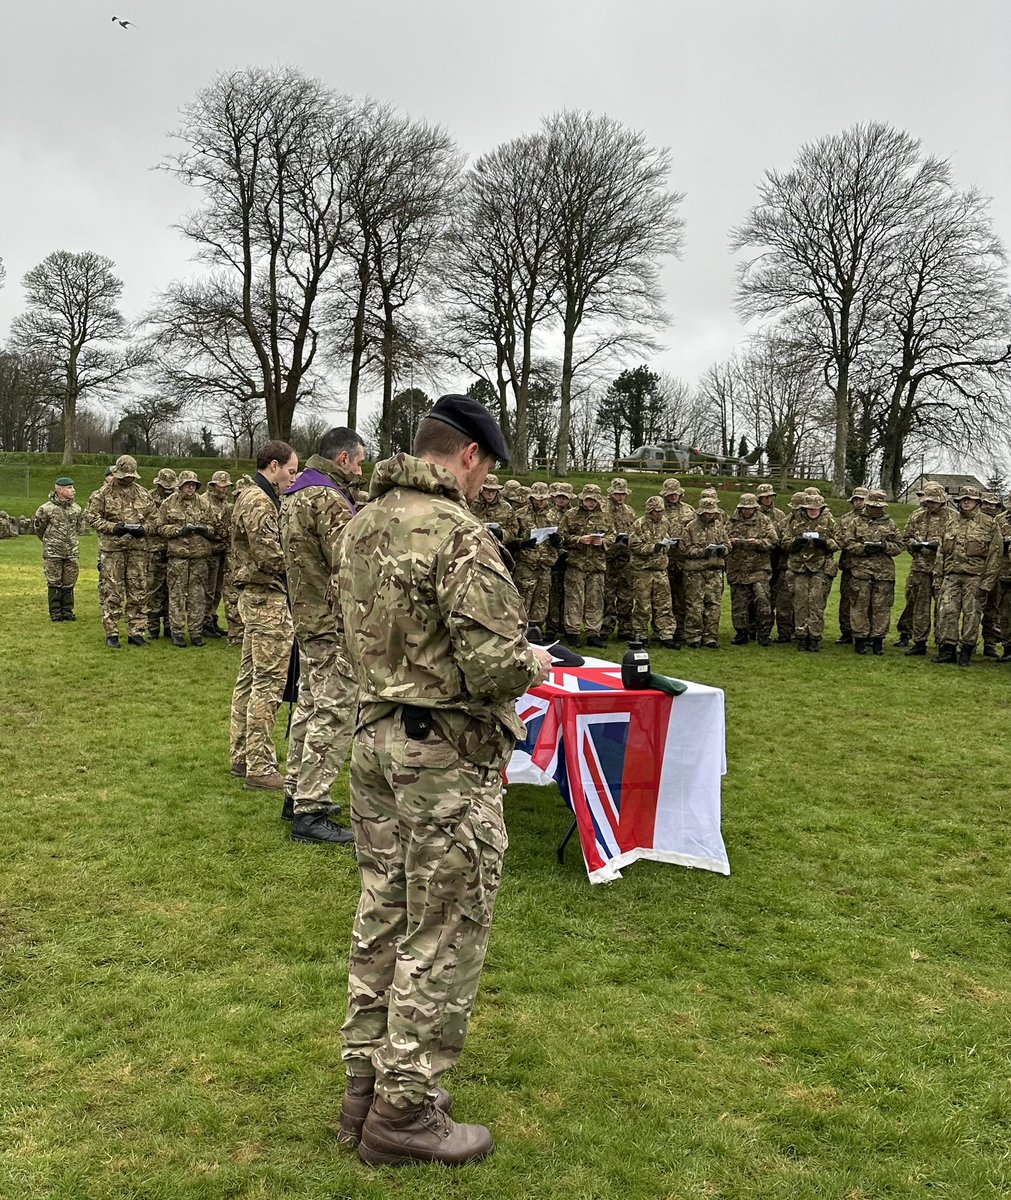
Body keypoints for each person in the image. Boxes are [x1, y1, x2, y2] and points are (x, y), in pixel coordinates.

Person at [333, 394, 551, 1167]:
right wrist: (535, 661)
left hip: (372, 740)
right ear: (466, 456)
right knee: (444, 928)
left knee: (384, 912)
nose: (486, 484)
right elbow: (492, 664)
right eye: (486, 468)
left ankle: (365, 1086)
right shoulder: (459, 535)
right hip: (441, 757)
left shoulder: (359, 521)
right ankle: (404, 1114)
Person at [279, 427, 364, 846]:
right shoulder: (328, 498)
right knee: (334, 710)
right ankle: (310, 807)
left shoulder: (295, 492)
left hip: (307, 616)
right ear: (343, 459)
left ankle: (295, 791)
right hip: (331, 621)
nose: (363, 469)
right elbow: (349, 564)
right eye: (360, 460)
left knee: (310, 705)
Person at [228, 442, 298, 789]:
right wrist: (305, 563)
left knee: (249, 678)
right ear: (274, 466)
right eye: (290, 471)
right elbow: (270, 555)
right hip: (266, 599)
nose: (293, 478)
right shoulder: (257, 500)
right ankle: (260, 766)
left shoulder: (255, 496)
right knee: (267, 684)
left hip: (257, 597)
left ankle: (241, 755)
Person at [86, 454, 155, 649]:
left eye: (131, 476)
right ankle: (112, 632)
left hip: (137, 551)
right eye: (124, 476)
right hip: (113, 550)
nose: (128, 479)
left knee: (138, 592)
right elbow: (92, 518)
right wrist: (113, 527)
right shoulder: (102, 494)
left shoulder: (143, 494)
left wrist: (144, 529)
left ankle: (136, 632)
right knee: (113, 591)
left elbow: (155, 518)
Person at [934, 485, 1003, 666]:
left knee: (971, 616)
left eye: (969, 500)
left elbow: (995, 556)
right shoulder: (951, 523)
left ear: (977, 502)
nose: (965, 502)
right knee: (947, 612)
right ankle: (947, 649)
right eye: (962, 499)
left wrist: (987, 584)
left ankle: (967, 650)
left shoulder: (989, 524)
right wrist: (938, 577)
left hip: (975, 578)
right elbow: (941, 552)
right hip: (951, 576)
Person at [157, 470, 222, 647]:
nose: (191, 487)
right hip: (178, 557)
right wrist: (179, 530)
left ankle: (196, 632)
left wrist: (203, 529)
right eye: (188, 484)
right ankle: (177, 632)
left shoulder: (203, 503)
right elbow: (160, 527)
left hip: (200, 557)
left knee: (198, 597)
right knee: (177, 596)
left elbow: (214, 527)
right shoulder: (168, 503)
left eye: (194, 484)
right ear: (181, 485)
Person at [839, 488, 903, 655]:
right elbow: (847, 543)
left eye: (879, 507)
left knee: (881, 608)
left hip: (884, 574)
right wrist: (864, 549)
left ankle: (878, 641)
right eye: (872, 506)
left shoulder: (890, 524)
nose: (875, 509)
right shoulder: (855, 522)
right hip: (861, 572)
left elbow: (900, 546)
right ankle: (859, 640)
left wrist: (885, 547)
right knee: (859, 606)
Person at [782, 490, 839, 652]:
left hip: (820, 567)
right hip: (799, 568)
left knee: (816, 603)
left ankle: (814, 636)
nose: (813, 512)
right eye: (810, 509)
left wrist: (825, 542)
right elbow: (784, 543)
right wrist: (796, 542)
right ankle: (801, 635)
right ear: (804, 509)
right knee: (800, 603)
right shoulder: (795, 523)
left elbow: (839, 542)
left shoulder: (829, 522)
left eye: (816, 509)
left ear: (821, 509)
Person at [898, 484, 949, 656]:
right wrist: (915, 547)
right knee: (920, 606)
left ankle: (943, 642)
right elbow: (906, 538)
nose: (931, 504)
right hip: (920, 568)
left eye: (935, 501)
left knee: (944, 607)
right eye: (929, 501)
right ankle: (919, 642)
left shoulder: (953, 518)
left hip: (942, 569)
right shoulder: (917, 516)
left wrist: (940, 548)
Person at [560, 483, 613, 647]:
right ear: (583, 499)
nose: (590, 503)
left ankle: (593, 633)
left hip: (596, 565)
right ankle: (573, 632)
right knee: (574, 600)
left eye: (594, 500)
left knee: (595, 600)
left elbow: (613, 535)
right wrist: (578, 540)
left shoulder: (605, 516)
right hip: (576, 563)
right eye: (588, 500)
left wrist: (603, 541)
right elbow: (561, 536)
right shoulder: (571, 515)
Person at [725, 493, 777, 646]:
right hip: (738, 569)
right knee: (739, 604)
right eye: (745, 509)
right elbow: (721, 539)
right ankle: (742, 633)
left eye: (751, 509)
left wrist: (758, 543)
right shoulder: (731, 521)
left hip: (758, 569)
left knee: (763, 602)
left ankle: (764, 634)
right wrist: (731, 542)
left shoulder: (764, 521)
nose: (748, 512)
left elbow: (773, 541)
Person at [33, 476, 88, 621]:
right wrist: (50, 542)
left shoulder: (76, 509)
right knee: (54, 581)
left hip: (71, 552)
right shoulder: (46, 509)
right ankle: (56, 612)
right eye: (69, 488)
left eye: (72, 487)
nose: (73, 490)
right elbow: (39, 529)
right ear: (59, 490)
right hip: (53, 552)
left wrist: (71, 543)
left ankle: (68, 611)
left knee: (69, 581)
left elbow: (79, 528)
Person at [679, 495, 729, 648]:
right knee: (695, 606)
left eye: (712, 512)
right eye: (707, 512)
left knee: (714, 605)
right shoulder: (690, 527)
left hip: (715, 572)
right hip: (695, 573)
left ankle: (710, 637)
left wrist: (723, 549)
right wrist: (703, 552)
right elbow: (684, 549)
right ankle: (693, 636)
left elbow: (728, 545)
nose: (710, 515)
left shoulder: (719, 526)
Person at [629, 495, 677, 647]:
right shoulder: (639, 524)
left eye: (661, 510)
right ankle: (640, 635)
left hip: (660, 570)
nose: (659, 513)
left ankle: (666, 635)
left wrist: (666, 545)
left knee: (664, 604)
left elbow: (667, 542)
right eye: (656, 511)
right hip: (642, 571)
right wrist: (653, 548)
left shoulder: (665, 523)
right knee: (642, 605)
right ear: (649, 511)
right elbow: (634, 546)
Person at [512, 481, 559, 630]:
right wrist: (522, 543)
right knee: (523, 598)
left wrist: (558, 540)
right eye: (538, 498)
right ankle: (519, 631)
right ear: (531, 498)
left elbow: (561, 536)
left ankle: (537, 631)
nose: (541, 501)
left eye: (544, 498)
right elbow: (511, 538)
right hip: (526, 564)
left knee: (541, 599)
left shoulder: (553, 515)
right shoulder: (520, 515)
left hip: (545, 564)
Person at [660, 478, 695, 647]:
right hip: (664, 558)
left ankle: (681, 629)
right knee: (664, 598)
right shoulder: (658, 510)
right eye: (670, 494)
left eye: (675, 493)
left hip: (683, 559)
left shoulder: (689, 510)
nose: (673, 496)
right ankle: (664, 630)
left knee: (683, 596)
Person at [145, 467, 178, 639]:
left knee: (172, 589)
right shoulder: (148, 497)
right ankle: (152, 626)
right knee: (153, 588)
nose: (168, 490)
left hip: (173, 549)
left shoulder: (177, 499)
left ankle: (169, 625)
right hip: (153, 549)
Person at [603, 478, 636, 640]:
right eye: (617, 494)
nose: (620, 497)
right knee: (607, 595)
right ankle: (605, 628)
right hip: (608, 558)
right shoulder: (603, 510)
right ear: (611, 493)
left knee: (626, 595)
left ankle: (625, 629)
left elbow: (635, 531)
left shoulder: (630, 511)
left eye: (623, 494)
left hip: (626, 558)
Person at [835, 486, 869, 644]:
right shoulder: (845, 519)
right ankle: (846, 631)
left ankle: (864, 632)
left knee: (865, 600)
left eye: (861, 499)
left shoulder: (872, 519)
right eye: (856, 499)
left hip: (867, 566)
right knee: (846, 599)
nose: (858, 502)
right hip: (849, 564)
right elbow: (839, 539)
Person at [203, 469, 233, 638]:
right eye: (221, 486)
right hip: (210, 551)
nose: (224, 490)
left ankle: (212, 619)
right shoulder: (204, 501)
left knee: (218, 589)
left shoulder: (225, 502)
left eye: (226, 486)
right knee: (208, 588)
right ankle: (204, 622)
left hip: (223, 551)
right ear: (213, 485)